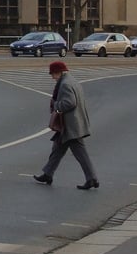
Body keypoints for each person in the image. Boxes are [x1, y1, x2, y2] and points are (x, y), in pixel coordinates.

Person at [34, 61, 99, 189]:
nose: (52, 77)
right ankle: (48, 173)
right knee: (57, 148)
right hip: (71, 124)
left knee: (80, 154)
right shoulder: (72, 81)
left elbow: (70, 102)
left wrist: (56, 106)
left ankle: (92, 178)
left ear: (59, 72)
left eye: (53, 74)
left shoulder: (65, 84)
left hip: (71, 125)